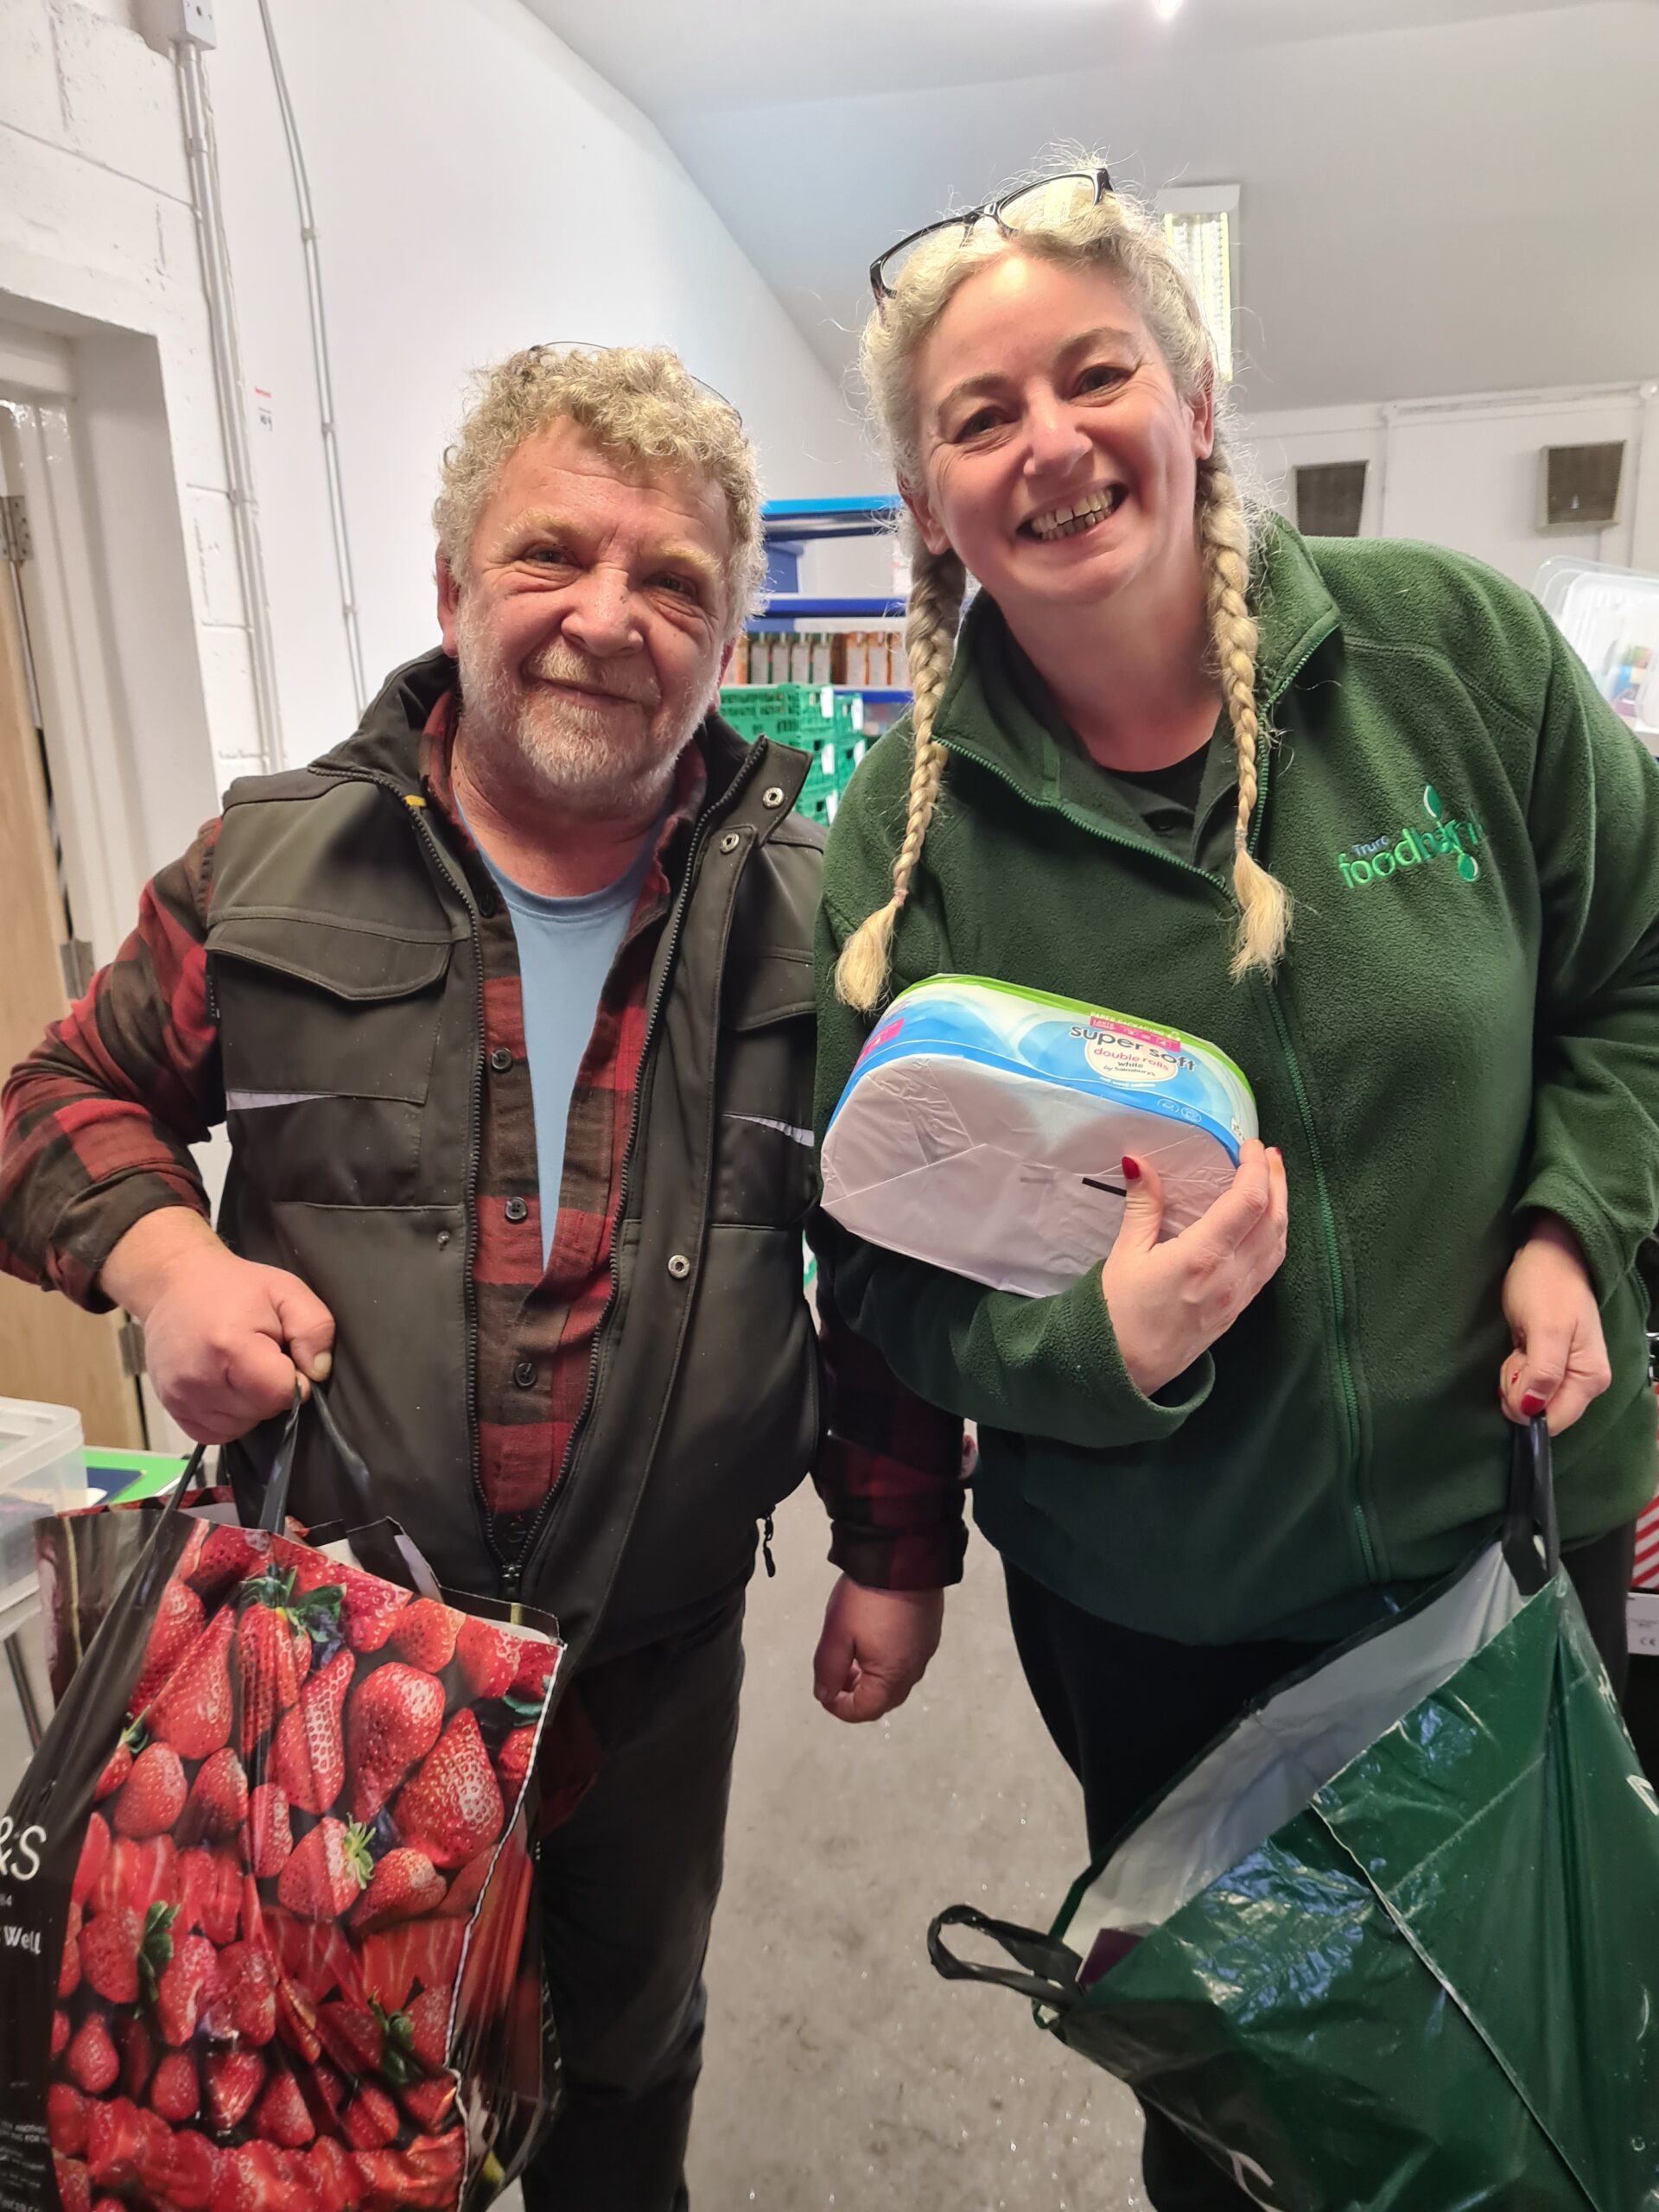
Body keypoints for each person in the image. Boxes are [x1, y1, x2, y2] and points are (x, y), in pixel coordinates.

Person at [0, 343, 964, 2212]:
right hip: (319, 1655)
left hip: (653, 1669)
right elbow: (55, 1096)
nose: (609, 616)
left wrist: (896, 1548)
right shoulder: (269, 864)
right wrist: (167, 1260)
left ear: (728, 634)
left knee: (627, 2063)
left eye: (674, 579)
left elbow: (884, 1258)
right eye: (552, 555)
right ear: (453, 587)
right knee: (299, 2081)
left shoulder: (823, 915)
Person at [807, 164, 1659, 2209]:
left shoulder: (1453, 659)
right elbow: (885, 1275)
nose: (1050, 442)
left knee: (1582, 2044)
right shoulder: (903, 851)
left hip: (1520, 1550)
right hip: (1168, 1625)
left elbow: (1636, 979)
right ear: (929, 500)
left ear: (1195, 404)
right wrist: (1090, 1352)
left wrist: (1572, 1224)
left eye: (1095, 374)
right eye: (982, 415)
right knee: (1267, 2125)